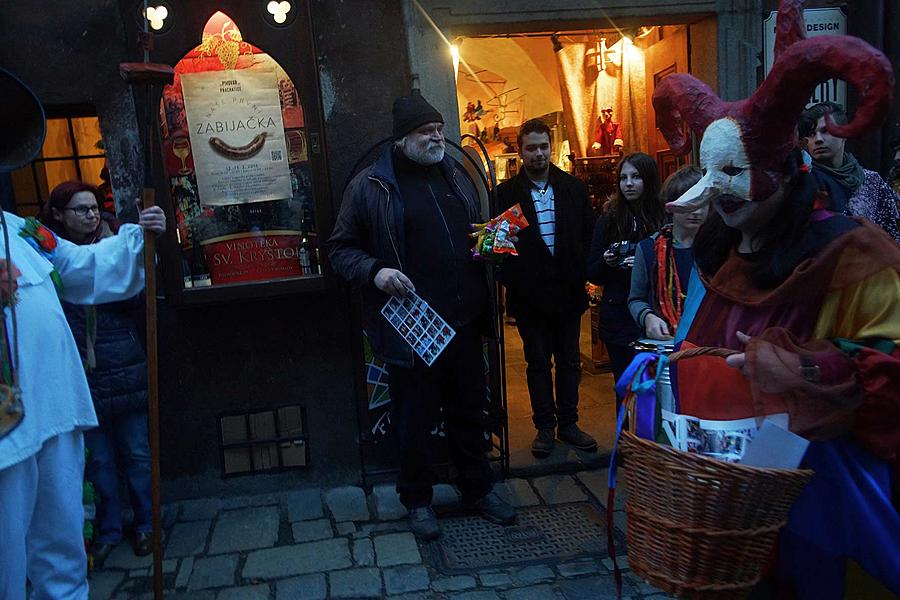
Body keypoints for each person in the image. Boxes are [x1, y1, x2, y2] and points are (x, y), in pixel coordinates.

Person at [652, 2, 899, 594]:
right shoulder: (727, 248)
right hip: (732, 516)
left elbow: (892, 373)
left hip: (822, 514)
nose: (718, 194)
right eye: (708, 174)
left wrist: (805, 367)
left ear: (788, 169)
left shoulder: (857, 257)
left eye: (733, 172)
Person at [328, 91, 515, 540]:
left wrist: (491, 244)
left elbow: (471, 237)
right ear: (403, 139)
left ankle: (476, 488)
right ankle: (417, 500)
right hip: (413, 330)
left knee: (470, 411)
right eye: (427, 131)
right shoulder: (372, 186)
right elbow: (339, 248)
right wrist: (376, 272)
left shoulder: (454, 175)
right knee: (413, 417)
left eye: (439, 129)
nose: (437, 137)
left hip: (466, 320)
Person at [0, 198, 165, 598]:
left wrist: (138, 239)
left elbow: (79, 265)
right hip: (6, 438)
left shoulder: (17, 228)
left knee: (62, 546)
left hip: (54, 411)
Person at [42, 181, 152, 568]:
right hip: (81, 374)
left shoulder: (120, 245)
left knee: (137, 453)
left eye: (93, 208)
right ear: (58, 215)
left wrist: (146, 242)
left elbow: (139, 296)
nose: (90, 215)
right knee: (98, 460)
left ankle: (146, 526)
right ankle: (107, 531)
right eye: (80, 210)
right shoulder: (45, 254)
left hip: (123, 365)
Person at [495, 119, 597, 458]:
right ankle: (544, 427)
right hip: (529, 297)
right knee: (537, 363)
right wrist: (515, 281)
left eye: (543, 147)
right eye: (531, 148)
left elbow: (587, 236)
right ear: (521, 151)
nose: (538, 153)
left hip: (568, 294)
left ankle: (569, 423)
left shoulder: (573, 188)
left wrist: (579, 272)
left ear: (551, 147)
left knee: (569, 362)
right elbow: (500, 246)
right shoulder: (506, 194)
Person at [586, 153, 663, 406]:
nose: (628, 184)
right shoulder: (609, 219)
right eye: (623, 178)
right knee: (625, 388)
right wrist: (610, 262)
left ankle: (651, 444)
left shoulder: (663, 217)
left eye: (636, 177)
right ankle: (626, 443)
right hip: (618, 315)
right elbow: (593, 272)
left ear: (649, 179)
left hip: (656, 313)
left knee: (657, 390)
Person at [799, 101, 900, 242]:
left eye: (826, 131)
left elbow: (892, 236)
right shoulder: (804, 182)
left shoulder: (871, 182)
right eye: (811, 134)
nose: (818, 140)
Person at [628, 166, 705, 340]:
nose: (697, 211)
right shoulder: (649, 249)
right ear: (671, 206)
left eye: (702, 203)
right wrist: (647, 317)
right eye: (689, 203)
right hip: (664, 341)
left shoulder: (717, 248)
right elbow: (635, 298)